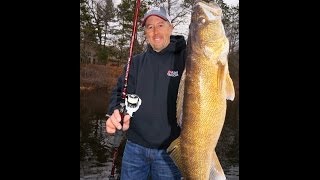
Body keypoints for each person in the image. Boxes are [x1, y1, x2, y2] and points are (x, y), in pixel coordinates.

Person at [105, 6, 186, 180]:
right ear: (145, 33)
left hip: (170, 152)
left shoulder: (187, 60)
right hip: (135, 147)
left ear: (171, 27)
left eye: (160, 25)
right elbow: (120, 93)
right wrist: (117, 111)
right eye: (150, 27)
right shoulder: (135, 62)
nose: (155, 31)